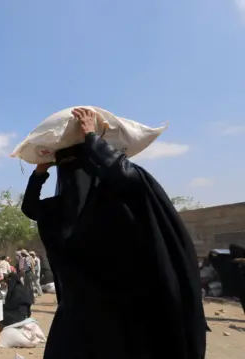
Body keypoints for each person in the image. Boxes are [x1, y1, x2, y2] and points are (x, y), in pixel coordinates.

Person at [20, 107, 207, 359]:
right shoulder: (99, 205)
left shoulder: (92, 207)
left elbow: (30, 206)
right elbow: (128, 177)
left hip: (92, 328)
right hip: (102, 327)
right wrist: (91, 142)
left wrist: (42, 170)